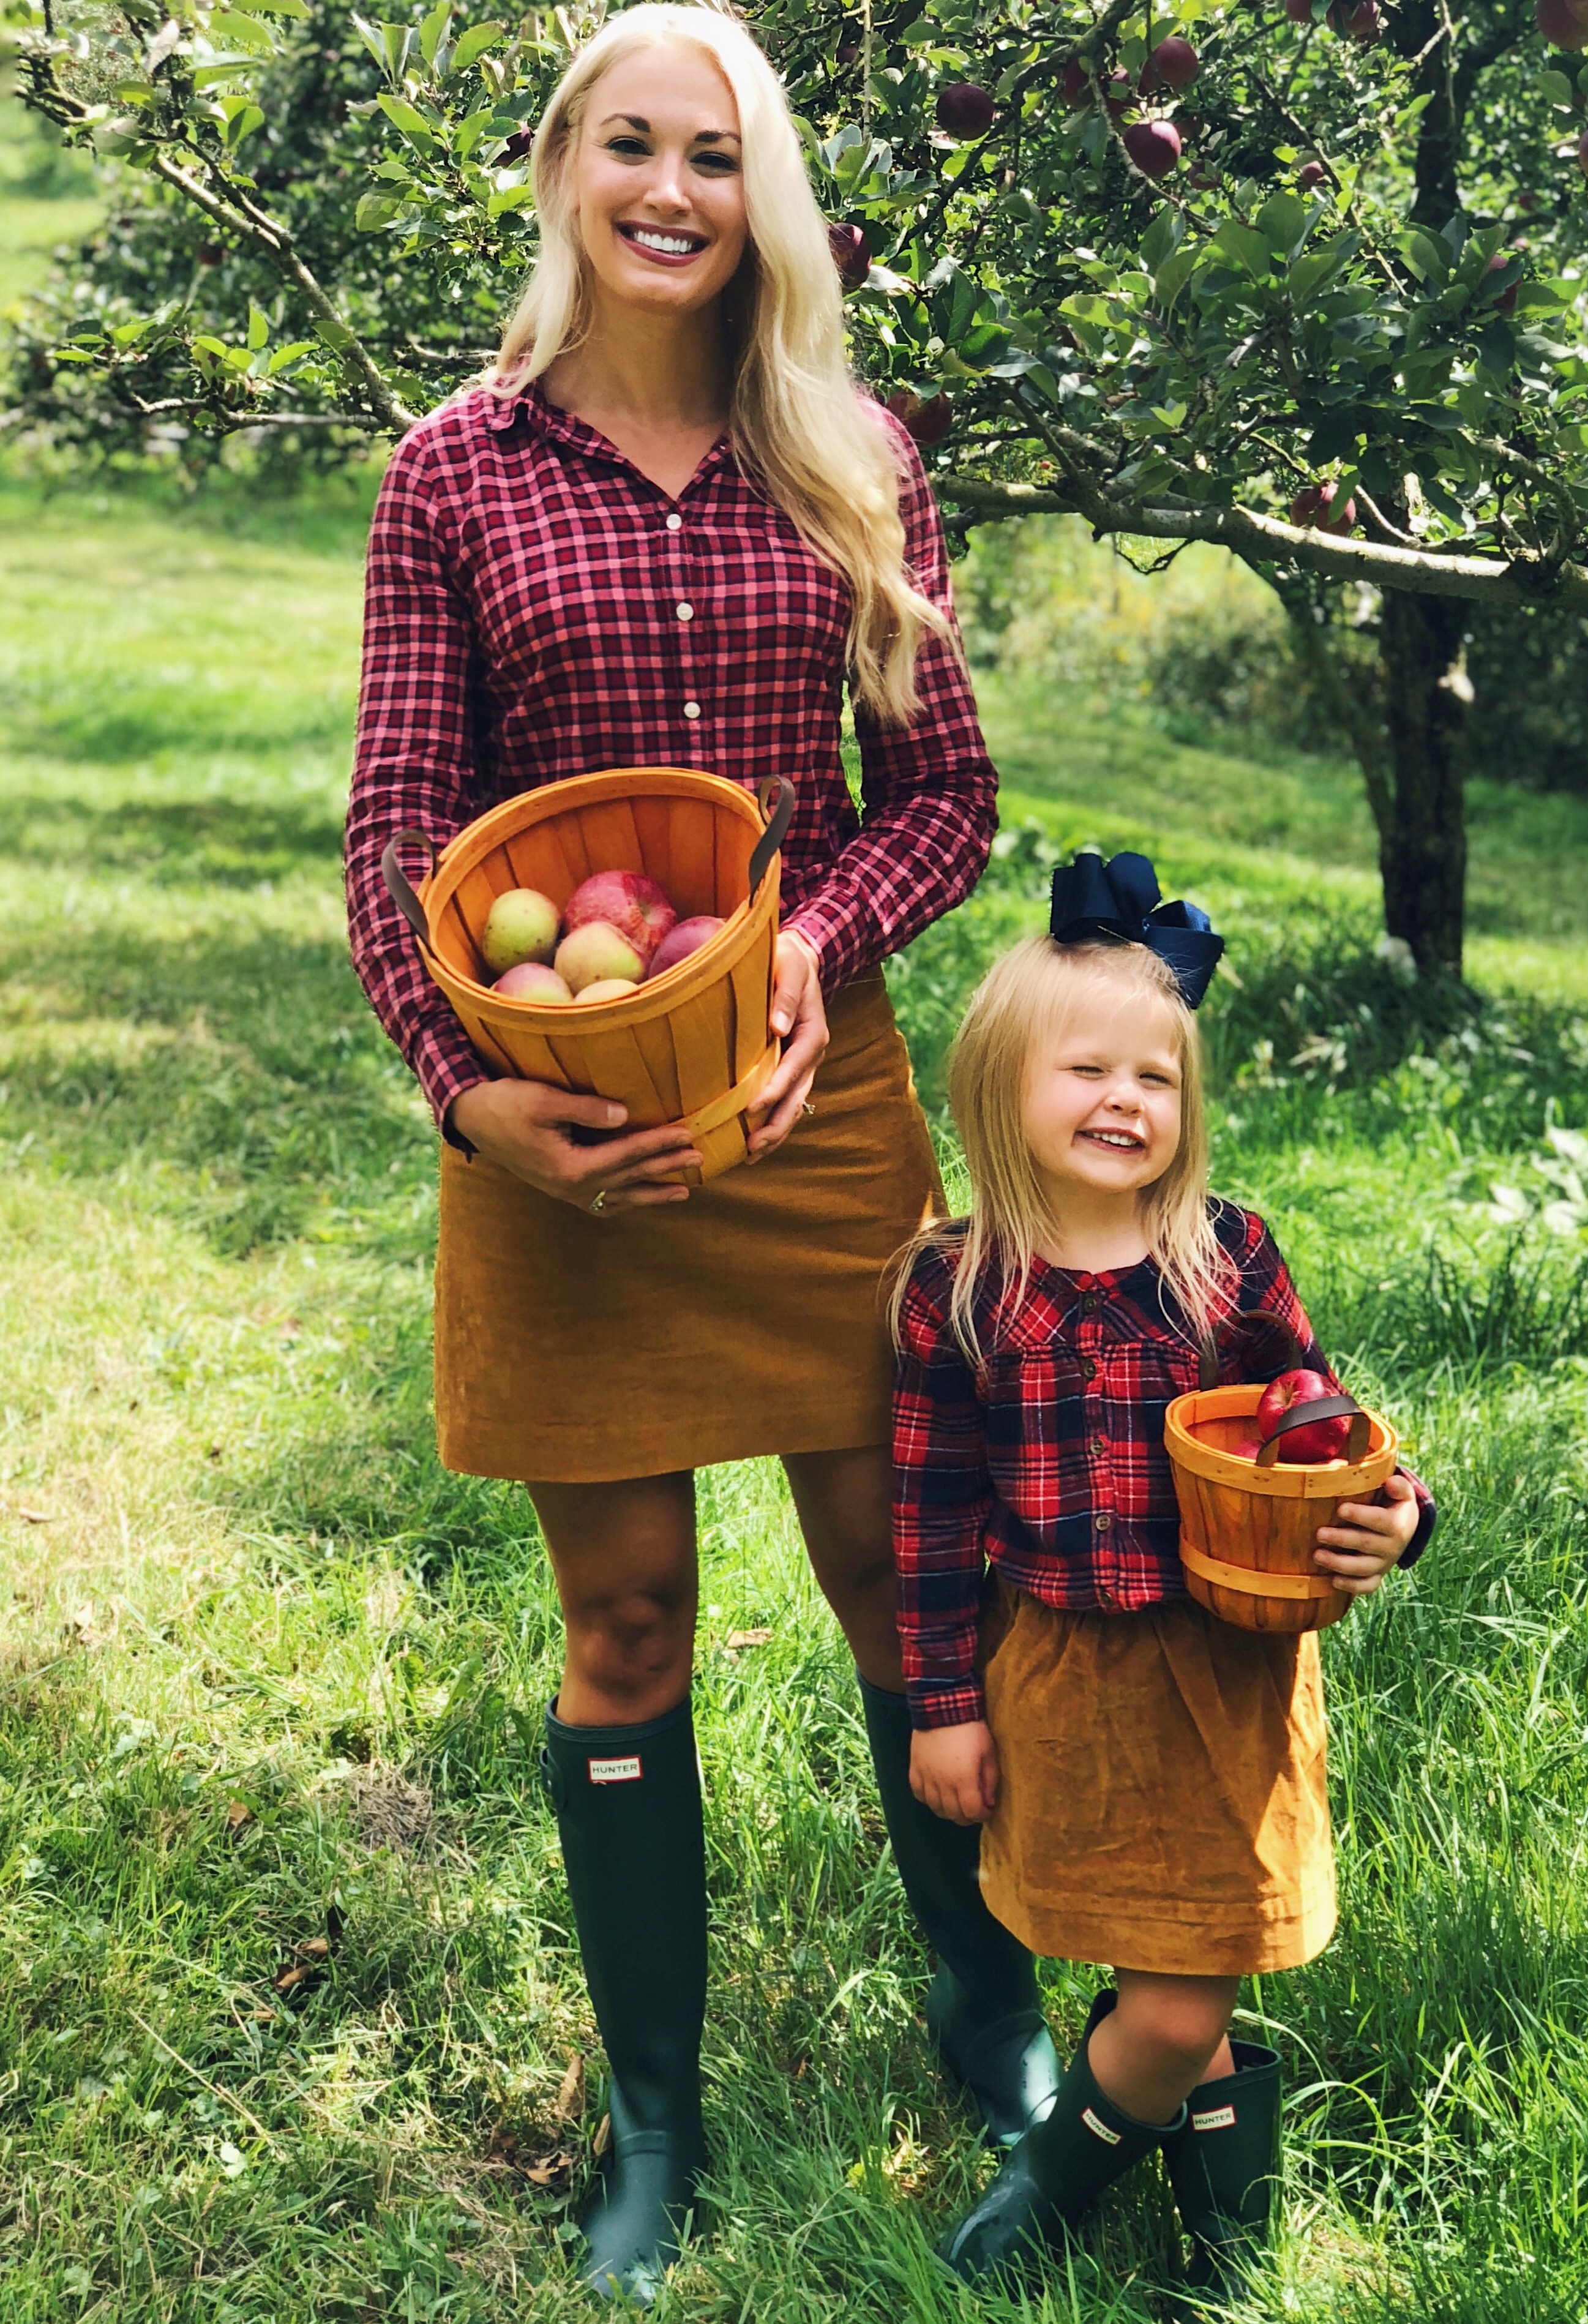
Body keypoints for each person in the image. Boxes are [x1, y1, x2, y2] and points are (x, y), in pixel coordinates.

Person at [342, 3, 1058, 2304]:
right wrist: (474, 1101)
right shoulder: (451, 473)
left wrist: (811, 939)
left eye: (715, 152)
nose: (670, 189)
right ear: (560, 167)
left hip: (805, 1098)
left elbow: (937, 794)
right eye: (629, 144)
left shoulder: (849, 450)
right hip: (558, 1122)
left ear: (762, 196)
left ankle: (992, 2012)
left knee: (903, 1588)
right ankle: (652, 2118)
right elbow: (391, 830)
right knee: (622, 1619)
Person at [890, 855, 1437, 2296]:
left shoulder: (1226, 1260)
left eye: (1157, 1075)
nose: (1124, 1098)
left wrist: (1396, 1513)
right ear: (998, 1085)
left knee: (1190, 1970)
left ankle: (1042, 2187)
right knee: (1158, 1962)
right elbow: (931, 1514)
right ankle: (1225, 2249)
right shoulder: (958, 1289)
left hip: (1229, 1671)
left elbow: (1320, 1431)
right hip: (1063, 1673)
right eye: (1084, 1067)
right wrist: (942, 1699)